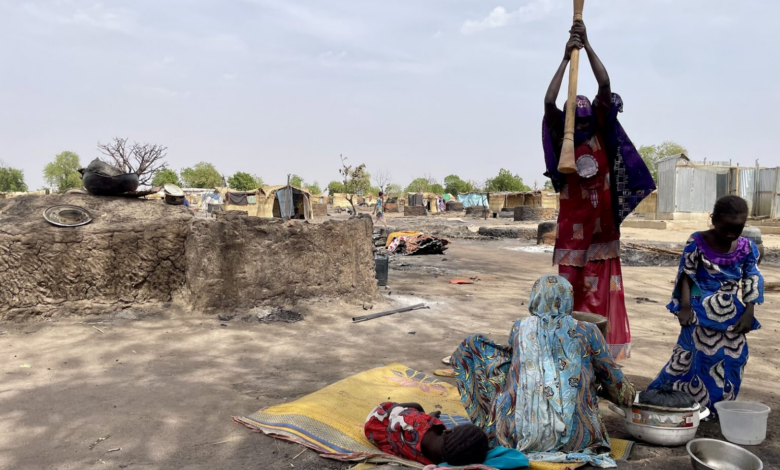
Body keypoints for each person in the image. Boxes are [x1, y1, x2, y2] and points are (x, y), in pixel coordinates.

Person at [542, 20, 655, 360]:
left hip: (602, 229)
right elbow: (549, 100)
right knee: (566, 293)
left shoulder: (601, 132)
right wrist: (564, 60)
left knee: (601, 294)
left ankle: (600, 357)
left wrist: (586, 46)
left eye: (587, 118)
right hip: (571, 233)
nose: (583, 124)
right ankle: (563, 353)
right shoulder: (562, 135)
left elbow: (604, 83)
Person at [451, 275, 635, 468]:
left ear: (535, 298)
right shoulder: (589, 331)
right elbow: (614, 380)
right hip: (578, 439)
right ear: (569, 299)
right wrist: (627, 397)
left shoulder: (519, 327)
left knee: (508, 374)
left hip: (514, 436)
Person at [648, 196, 764, 415]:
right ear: (713, 220)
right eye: (725, 228)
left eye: (737, 228)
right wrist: (684, 308)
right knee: (690, 358)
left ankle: (716, 409)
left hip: (732, 316)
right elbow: (686, 274)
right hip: (697, 311)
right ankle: (672, 402)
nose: (731, 233)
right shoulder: (697, 241)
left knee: (734, 360)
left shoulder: (747, 247)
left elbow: (752, 278)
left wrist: (750, 311)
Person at [364, 401, 489, 466]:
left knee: (416, 406)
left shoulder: (417, 423)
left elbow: (394, 411)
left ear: (448, 431)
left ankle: (427, 415)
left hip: (376, 422)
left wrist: (422, 416)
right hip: (381, 440)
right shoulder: (436, 462)